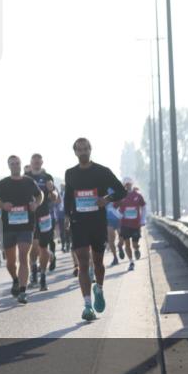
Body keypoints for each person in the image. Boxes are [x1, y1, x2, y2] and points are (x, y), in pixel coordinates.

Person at [63, 138, 127, 322]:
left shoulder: (102, 171)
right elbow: (68, 197)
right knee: (83, 264)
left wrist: (106, 199)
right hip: (79, 223)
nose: (83, 152)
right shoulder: (70, 173)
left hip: (97, 222)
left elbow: (121, 191)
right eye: (79, 149)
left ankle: (98, 288)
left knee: (98, 263)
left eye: (85, 149)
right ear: (75, 152)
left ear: (90, 150)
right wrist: (67, 216)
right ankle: (87, 306)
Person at [0, 156, 42, 305]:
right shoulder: (3, 184)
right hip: (8, 227)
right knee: (11, 262)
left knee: (23, 256)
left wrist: (36, 204)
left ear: (20, 164)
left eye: (17, 163)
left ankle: (23, 291)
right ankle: (15, 279)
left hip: (26, 225)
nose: (15, 165)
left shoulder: (29, 181)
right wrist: (3, 205)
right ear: (8, 166)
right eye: (12, 164)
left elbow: (40, 195)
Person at [24, 153, 57, 291]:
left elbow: (54, 197)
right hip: (30, 217)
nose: (36, 163)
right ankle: (34, 274)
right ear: (31, 163)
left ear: (42, 162)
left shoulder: (47, 177)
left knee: (43, 248)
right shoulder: (26, 177)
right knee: (33, 246)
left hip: (45, 216)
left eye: (39, 161)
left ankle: (43, 276)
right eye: (34, 161)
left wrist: (51, 190)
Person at [117, 178, 147, 270]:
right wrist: (119, 215)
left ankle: (137, 249)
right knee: (127, 244)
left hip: (135, 224)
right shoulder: (120, 196)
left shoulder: (137, 195)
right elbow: (113, 208)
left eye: (129, 184)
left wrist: (142, 220)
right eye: (126, 185)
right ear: (124, 186)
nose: (128, 186)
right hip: (125, 224)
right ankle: (131, 262)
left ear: (132, 184)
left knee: (135, 244)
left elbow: (144, 207)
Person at [105, 193, 122, 267]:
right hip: (109, 220)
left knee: (122, 237)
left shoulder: (117, 191)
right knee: (111, 240)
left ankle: (120, 246)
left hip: (118, 219)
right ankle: (115, 257)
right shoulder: (101, 190)